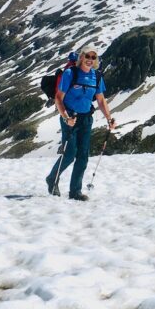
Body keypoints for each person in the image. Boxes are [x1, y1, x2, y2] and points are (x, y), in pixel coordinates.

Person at [45, 44, 116, 201]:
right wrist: (66, 118)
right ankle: (52, 179)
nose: (90, 60)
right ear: (81, 57)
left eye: (93, 57)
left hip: (86, 119)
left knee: (83, 156)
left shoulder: (96, 77)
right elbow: (58, 98)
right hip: (70, 118)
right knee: (70, 153)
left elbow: (101, 100)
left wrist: (109, 119)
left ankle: (75, 191)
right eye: (87, 56)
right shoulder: (71, 73)